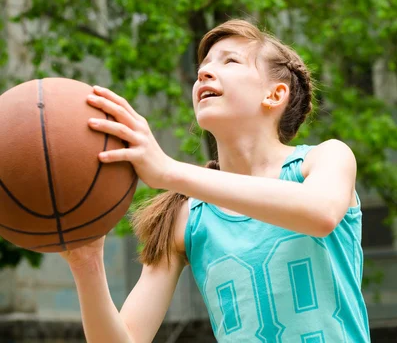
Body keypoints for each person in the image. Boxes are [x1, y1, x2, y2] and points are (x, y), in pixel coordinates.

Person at [62, 19, 370, 342]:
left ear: (275, 94)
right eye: (203, 66)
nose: (203, 73)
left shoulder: (324, 159)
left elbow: (319, 213)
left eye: (230, 61)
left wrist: (167, 171)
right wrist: (87, 265)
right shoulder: (187, 217)